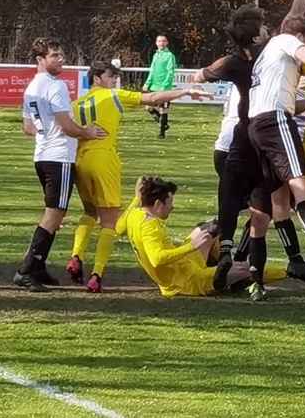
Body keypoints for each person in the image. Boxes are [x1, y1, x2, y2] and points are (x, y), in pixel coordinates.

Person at [191, 0, 305, 300]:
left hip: (236, 138)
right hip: (253, 132)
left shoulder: (240, 59)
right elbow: (292, 23)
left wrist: (202, 75)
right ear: (258, 36)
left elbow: (206, 71)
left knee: (258, 206)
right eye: (265, 26)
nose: (271, 28)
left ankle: (233, 257)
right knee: (278, 197)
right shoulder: (267, 52)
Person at [66, 61, 206, 292]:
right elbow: (152, 99)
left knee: (89, 212)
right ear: (98, 78)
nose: (114, 81)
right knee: (109, 221)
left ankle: (76, 256)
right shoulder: (112, 95)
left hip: (81, 159)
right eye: (111, 76)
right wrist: (185, 91)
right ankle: (97, 274)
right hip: (104, 158)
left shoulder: (77, 102)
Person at [15, 38, 106, 292]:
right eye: (54, 55)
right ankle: (26, 270)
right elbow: (66, 125)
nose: (61, 59)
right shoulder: (56, 86)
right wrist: (87, 132)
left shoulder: (32, 87)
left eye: (61, 54)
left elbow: (28, 127)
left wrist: (47, 132)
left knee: (55, 213)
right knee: (54, 214)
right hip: (58, 158)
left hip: (42, 156)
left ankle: (38, 266)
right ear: (40, 60)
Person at [248, 14, 305, 283]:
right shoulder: (284, 39)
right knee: (300, 182)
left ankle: (293, 261)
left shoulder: (266, 56)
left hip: (256, 124)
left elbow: (293, 103)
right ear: (301, 36)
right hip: (275, 119)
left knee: (278, 198)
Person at [115, 176, 286, 298]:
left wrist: (136, 198)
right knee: (247, 268)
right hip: (187, 282)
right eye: (169, 203)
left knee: (209, 228)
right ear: (158, 204)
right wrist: (192, 246)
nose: (172, 207)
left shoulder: (135, 214)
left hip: (185, 266)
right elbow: (157, 259)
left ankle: (224, 266)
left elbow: (118, 228)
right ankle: (289, 272)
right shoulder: (149, 226)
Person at [143, 34, 177, 139]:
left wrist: (165, 85)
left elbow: (170, 72)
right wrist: (147, 83)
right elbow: (152, 71)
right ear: (156, 43)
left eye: (163, 41)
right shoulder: (156, 55)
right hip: (154, 86)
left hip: (164, 88)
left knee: (163, 109)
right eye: (159, 41)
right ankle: (164, 124)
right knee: (148, 107)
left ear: (167, 43)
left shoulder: (170, 55)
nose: (161, 43)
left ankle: (162, 133)